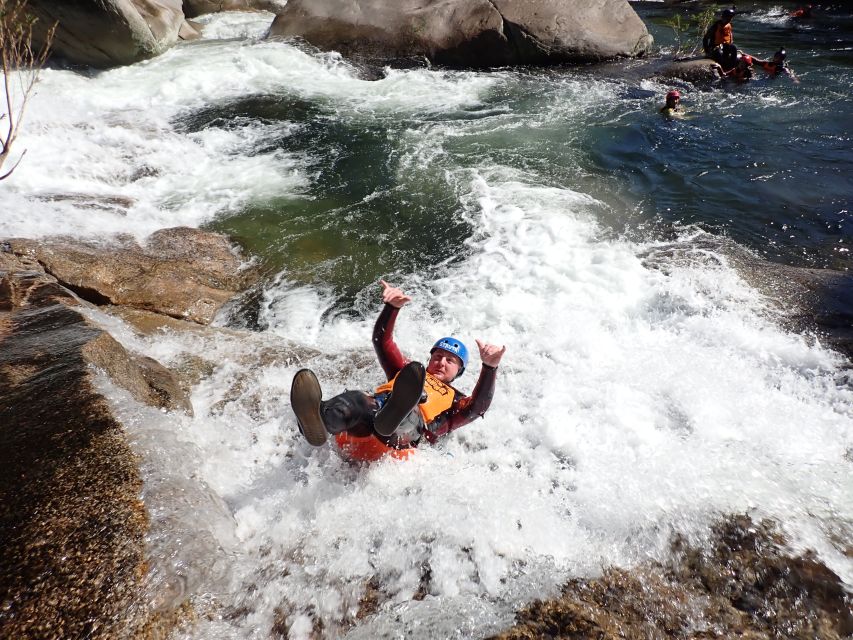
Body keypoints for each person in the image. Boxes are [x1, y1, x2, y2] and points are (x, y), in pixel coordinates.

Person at [289, 280, 506, 461]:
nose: (441, 362)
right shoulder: (408, 373)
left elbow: (478, 407)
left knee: (409, 410)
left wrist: (489, 367)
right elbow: (382, 342)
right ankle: (321, 421)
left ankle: (393, 416)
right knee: (355, 400)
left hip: (403, 440)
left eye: (450, 360)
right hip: (369, 424)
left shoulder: (457, 402)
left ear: (459, 371)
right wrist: (392, 308)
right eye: (438, 356)